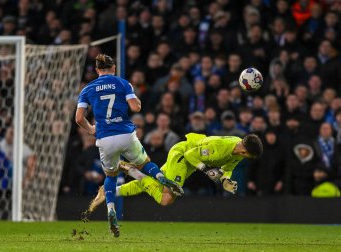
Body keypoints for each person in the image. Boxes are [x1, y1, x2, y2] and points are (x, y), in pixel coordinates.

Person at [75, 54, 183, 237]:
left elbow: (78, 118)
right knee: (144, 163)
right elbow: (135, 108)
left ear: (96, 70)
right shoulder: (123, 83)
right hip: (126, 134)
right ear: (114, 68)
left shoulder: (88, 89)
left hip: (105, 138)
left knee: (110, 175)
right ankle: (161, 179)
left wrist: (91, 129)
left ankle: (111, 210)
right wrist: (137, 102)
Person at [88, 133, 263, 211]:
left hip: (190, 163)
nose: (245, 157)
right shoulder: (219, 147)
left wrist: (226, 180)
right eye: (247, 154)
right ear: (244, 147)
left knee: (155, 185)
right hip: (182, 156)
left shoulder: (240, 152)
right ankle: (134, 172)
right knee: (166, 198)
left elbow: (228, 168)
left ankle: (112, 191)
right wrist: (206, 170)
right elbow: (189, 154)